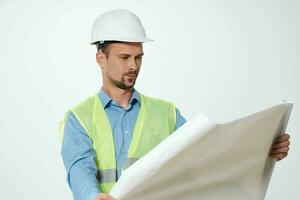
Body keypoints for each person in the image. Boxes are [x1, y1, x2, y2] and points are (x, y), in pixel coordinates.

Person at [60, 9, 291, 200]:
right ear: (101, 59)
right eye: (124, 57)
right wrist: (91, 196)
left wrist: (261, 150)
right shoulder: (79, 118)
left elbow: (206, 155)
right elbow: (79, 168)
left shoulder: (167, 113)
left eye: (138, 57)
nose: (133, 66)